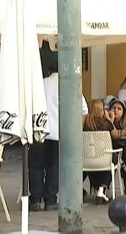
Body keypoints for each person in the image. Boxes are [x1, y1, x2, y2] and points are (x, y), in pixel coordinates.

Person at [29, 62, 88, 212]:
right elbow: (83, 111)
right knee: (54, 167)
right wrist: (75, 129)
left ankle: (35, 200)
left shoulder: (40, 84)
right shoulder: (70, 86)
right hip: (58, 133)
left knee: (35, 166)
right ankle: (51, 201)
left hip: (39, 131)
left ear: (49, 70)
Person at [83, 99, 119, 205]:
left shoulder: (84, 123)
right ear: (101, 110)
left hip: (86, 160)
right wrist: (110, 119)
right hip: (103, 159)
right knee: (113, 159)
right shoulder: (106, 123)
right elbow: (116, 135)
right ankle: (101, 190)